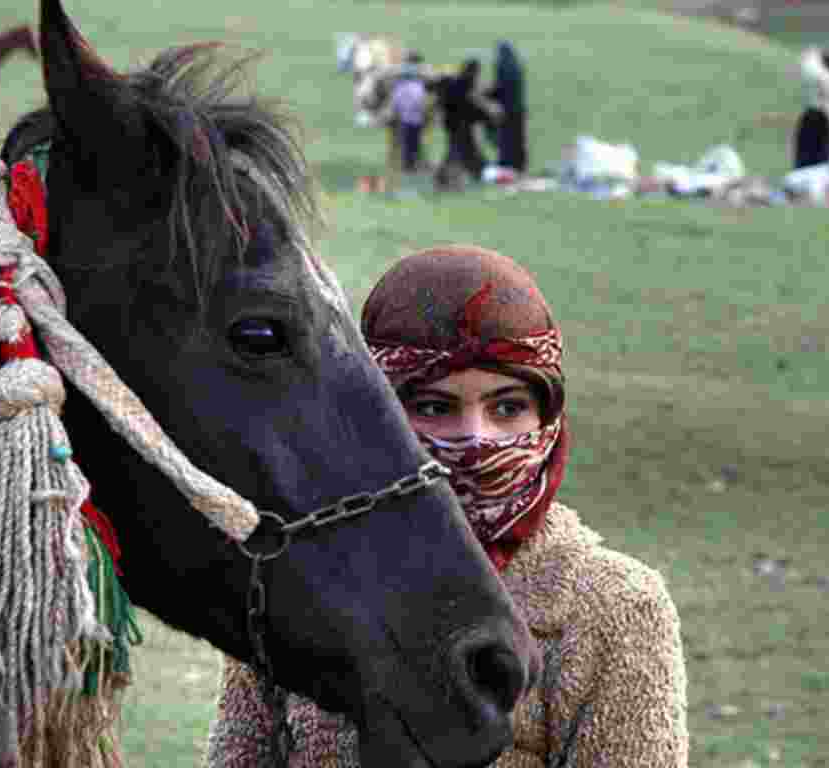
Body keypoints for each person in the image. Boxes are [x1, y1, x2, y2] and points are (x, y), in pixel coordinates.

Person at [206, 244, 690, 768]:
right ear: (376, 414)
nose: (477, 439)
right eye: (435, 407)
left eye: (509, 407)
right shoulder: (293, 584)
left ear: (547, 419)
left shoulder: (613, 608)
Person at [432, 58, 501, 189]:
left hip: (452, 124)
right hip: (460, 125)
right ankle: (446, 179)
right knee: (460, 152)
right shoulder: (465, 85)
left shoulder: (455, 82)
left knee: (459, 151)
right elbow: (472, 106)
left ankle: (445, 178)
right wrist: (488, 116)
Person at [794, 47, 829, 170]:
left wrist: (815, 54)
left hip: (816, 116)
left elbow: (808, 61)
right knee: (821, 157)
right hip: (820, 116)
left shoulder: (823, 76)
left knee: (813, 157)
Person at [485, 40, 529, 174]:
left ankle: (506, 162)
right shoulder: (517, 66)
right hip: (519, 109)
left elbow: (500, 88)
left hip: (506, 110)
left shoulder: (501, 66)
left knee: (506, 138)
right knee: (518, 138)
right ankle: (519, 164)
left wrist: (486, 93)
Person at [390, 50, 428, 174]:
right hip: (414, 117)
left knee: (409, 142)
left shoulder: (401, 83)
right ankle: (410, 165)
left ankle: (410, 165)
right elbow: (420, 102)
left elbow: (396, 100)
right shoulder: (416, 84)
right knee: (413, 142)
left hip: (406, 117)